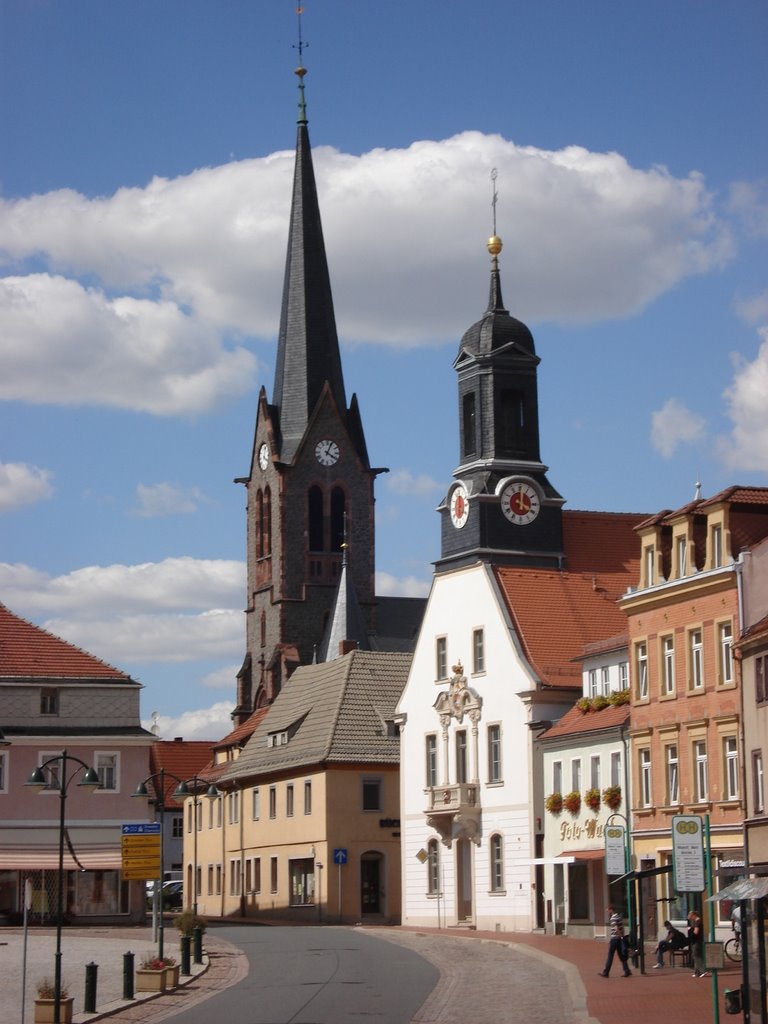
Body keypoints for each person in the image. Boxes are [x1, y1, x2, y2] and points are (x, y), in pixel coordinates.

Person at [599, 905, 632, 978]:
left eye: (607, 909)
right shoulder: (618, 916)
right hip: (619, 939)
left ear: (611, 910)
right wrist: (622, 936)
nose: (607, 911)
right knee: (621, 955)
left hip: (615, 939)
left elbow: (616, 929)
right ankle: (627, 970)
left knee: (610, 955)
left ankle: (606, 972)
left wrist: (620, 936)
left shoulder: (613, 918)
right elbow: (621, 927)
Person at [687, 910, 709, 978]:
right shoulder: (696, 921)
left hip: (697, 940)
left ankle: (703, 970)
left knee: (696, 955)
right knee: (695, 955)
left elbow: (696, 932)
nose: (689, 917)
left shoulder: (697, 921)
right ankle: (697, 972)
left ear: (693, 915)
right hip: (697, 940)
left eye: (690, 915)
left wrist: (690, 930)